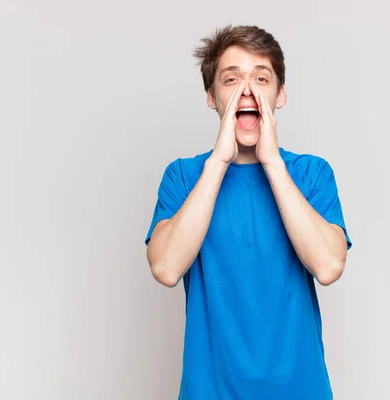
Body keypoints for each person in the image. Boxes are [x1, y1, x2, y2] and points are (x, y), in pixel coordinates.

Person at [145, 25, 353, 400]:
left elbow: (328, 266)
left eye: (261, 77)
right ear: (211, 96)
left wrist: (271, 161)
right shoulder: (183, 176)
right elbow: (165, 267)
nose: (248, 90)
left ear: (280, 94)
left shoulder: (311, 174)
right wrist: (220, 161)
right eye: (231, 79)